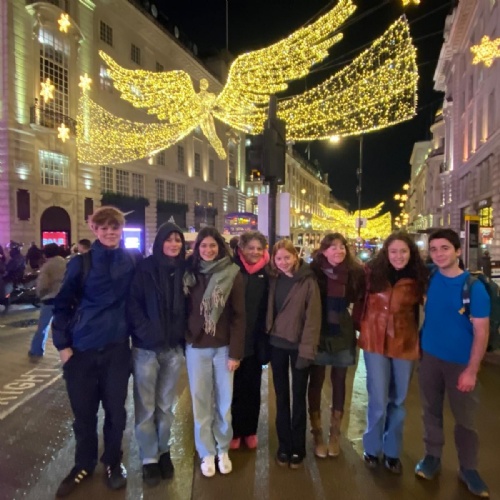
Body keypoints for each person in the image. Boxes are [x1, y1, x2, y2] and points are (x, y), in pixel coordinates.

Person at [51, 206, 140, 497]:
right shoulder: (81, 263)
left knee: (116, 412)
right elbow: (61, 305)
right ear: (94, 230)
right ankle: (83, 464)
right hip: (82, 351)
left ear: (121, 229)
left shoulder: (132, 259)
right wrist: (63, 347)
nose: (110, 232)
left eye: (115, 227)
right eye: (104, 228)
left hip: (117, 349)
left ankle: (112, 462)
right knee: (84, 414)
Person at [415, 228, 490, 498]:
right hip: (430, 358)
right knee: (430, 411)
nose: (438, 254)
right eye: (434, 249)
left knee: (465, 420)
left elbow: (481, 332)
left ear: (458, 251)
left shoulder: (474, 287)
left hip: (461, 363)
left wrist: (472, 370)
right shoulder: (431, 278)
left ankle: (469, 468)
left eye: (445, 248)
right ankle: (432, 457)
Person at [358, 231, 427, 474]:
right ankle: (372, 447)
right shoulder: (371, 274)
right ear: (386, 253)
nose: (398, 256)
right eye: (394, 251)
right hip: (374, 342)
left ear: (411, 253)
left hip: (405, 343)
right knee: (378, 398)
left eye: (403, 251)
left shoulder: (419, 277)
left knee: (398, 400)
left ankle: (392, 451)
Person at [127, 222, 186, 487]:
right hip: (146, 349)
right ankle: (149, 457)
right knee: (146, 406)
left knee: (165, 406)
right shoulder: (145, 268)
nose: (174, 244)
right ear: (160, 242)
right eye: (169, 239)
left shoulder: (184, 270)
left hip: (172, 348)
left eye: (178, 240)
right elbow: (133, 304)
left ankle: (164, 451)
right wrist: (148, 333)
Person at [184, 226, 245, 478]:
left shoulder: (232, 273)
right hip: (196, 346)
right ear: (197, 248)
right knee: (200, 401)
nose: (208, 250)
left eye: (212, 245)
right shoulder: (189, 273)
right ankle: (206, 451)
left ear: (220, 247)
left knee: (224, 403)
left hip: (223, 348)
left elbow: (239, 316)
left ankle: (222, 448)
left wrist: (235, 353)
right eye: (203, 245)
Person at [308, 233, 365, 459]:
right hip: (319, 331)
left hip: (343, 331)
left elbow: (362, 300)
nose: (338, 251)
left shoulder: (355, 273)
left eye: (342, 247)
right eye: (333, 247)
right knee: (316, 380)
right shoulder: (313, 273)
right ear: (323, 251)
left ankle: (334, 433)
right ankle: (317, 432)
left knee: (340, 381)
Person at [266, 239, 321, 469]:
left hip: (298, 346)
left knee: (298, 396)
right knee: (281, 396)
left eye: (286, 257)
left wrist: (307, 350)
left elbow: (312, 319)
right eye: (278, 258)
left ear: (295, 256)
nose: (282, 262)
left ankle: (298, 446)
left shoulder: (307, 281)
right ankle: (284, 444)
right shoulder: (274, 279)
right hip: (276, 344)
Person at [230, 231, 270, 451]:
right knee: (234, 387)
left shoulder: (268, 271)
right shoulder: (232, 268)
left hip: (257, 340)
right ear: (241, 249)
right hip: (234, 339)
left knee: (253, 387)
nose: (255, 252)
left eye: (259, 248)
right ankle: (235, 431)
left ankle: (250, 430)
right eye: (250, 248)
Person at [28, 243, 67, 360]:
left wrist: (40, 295)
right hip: (65, 298)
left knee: (43, 327)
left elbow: (42, 284)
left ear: (45, 254)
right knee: (65, 326)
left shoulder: (47, 266)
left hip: (50, 299)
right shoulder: (66, 262)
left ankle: (36, 350)